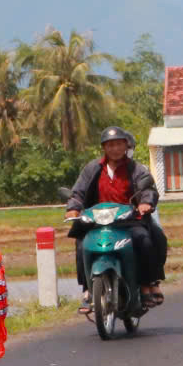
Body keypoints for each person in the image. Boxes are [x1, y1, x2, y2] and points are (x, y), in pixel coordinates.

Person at [64, 126, 166, 308]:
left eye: (119, 144)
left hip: (128, 220)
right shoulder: (92, 168)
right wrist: (73, 208)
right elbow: (78, 192)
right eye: (110, 145)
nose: (115, 149)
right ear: (104, 147)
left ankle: (147, 283)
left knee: (143, 239)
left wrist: (145, 203)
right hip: (97, 221)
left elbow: (148, 189)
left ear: (126, 146)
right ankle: (87, 289)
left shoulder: (136, 168)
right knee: (81, 244)